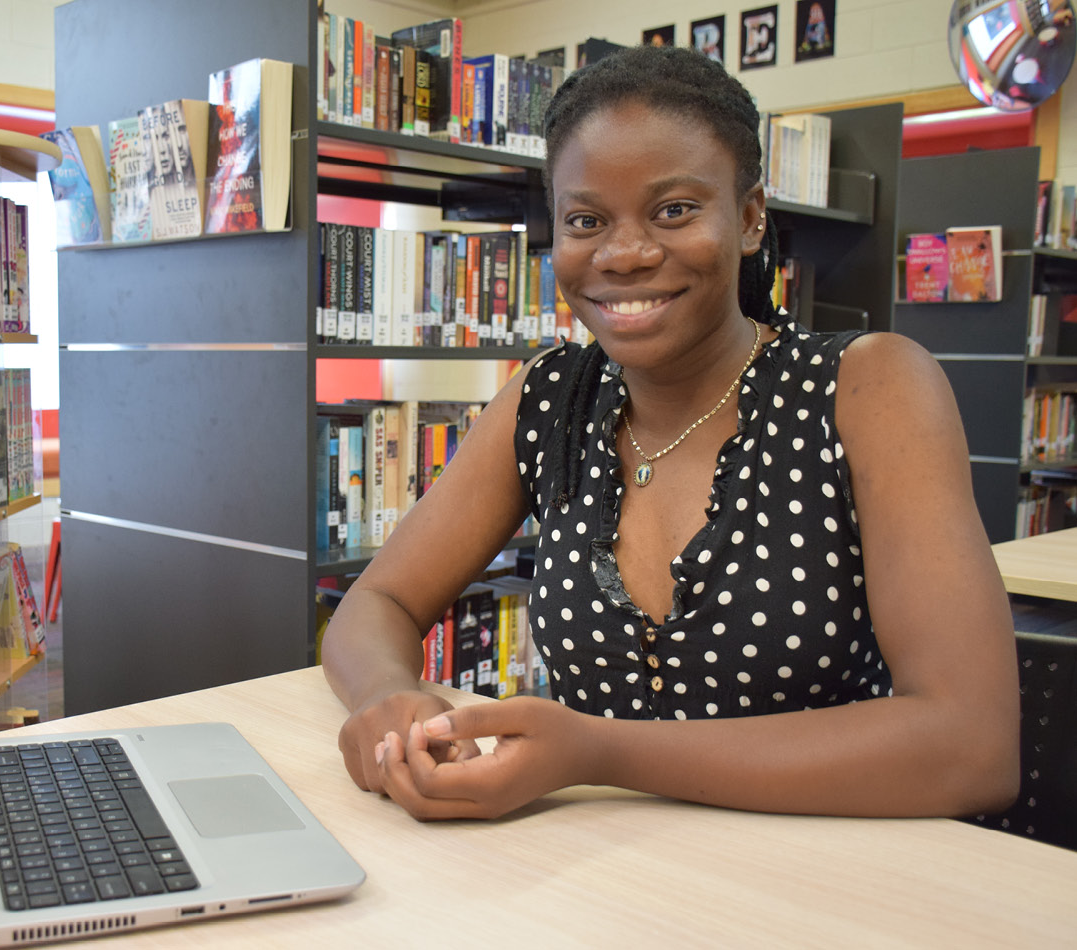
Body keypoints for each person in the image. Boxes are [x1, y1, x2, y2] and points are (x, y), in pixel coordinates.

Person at [321, 45, 1019, 822]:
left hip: (827, 876)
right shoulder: (549, 398)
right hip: (599, 876)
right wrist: (387, 695)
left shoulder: (869, 386)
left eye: (673, 210)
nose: (624, 254)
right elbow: (377, 598)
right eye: (586, 220)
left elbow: (970, 745)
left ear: (749, 217)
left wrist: (600, 752)